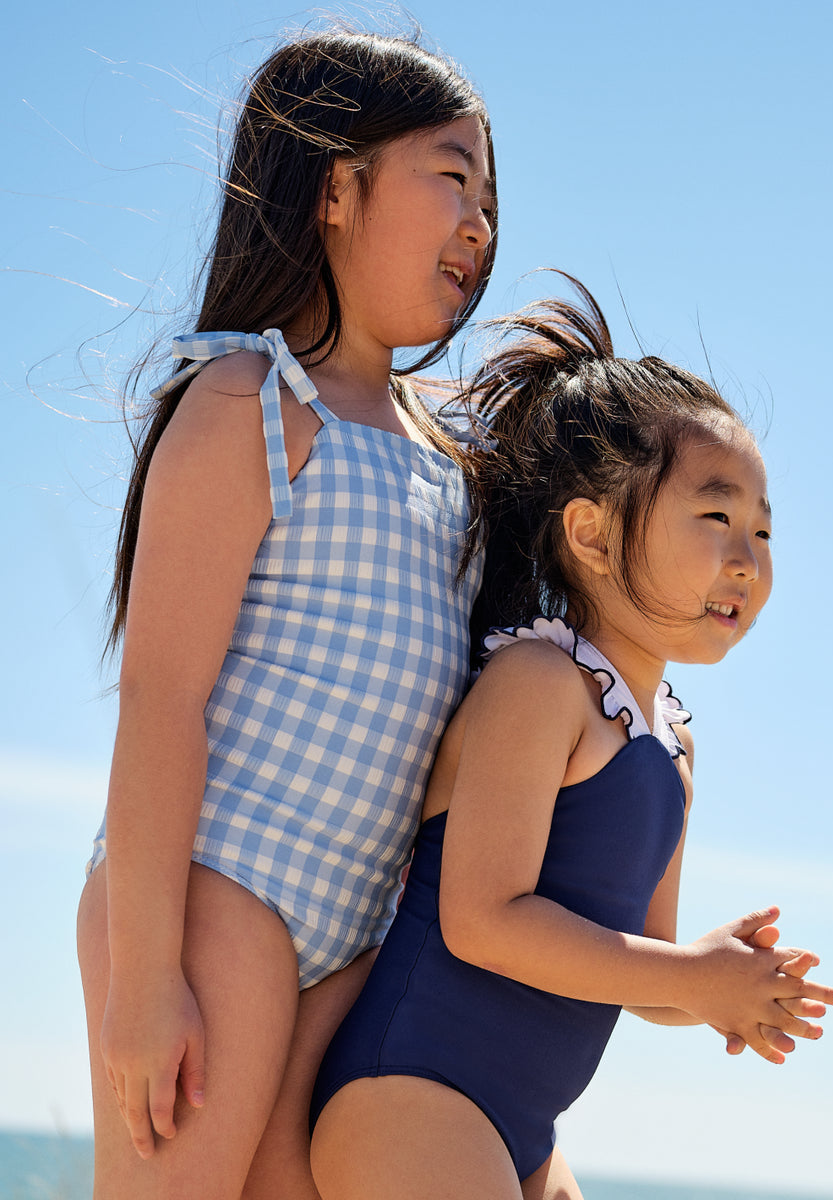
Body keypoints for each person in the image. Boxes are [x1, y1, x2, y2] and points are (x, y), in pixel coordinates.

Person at [74, 28, 498, 1200]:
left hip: (359, 933)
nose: (481, 223)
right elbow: (163, 697)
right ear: (334, 189)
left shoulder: (452, 455)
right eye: (452, 177)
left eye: (492, 198)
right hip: (219, 884)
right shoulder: (253, 400)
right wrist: (144, 980)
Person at [309, 282, 833, 1200]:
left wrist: (720, 983)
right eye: (715, 517)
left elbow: (636, 970)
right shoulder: (539, 684)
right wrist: (692, 975)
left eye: (762, 530)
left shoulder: (673, 744)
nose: (747, 558)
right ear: (592, 535)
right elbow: (481, 921)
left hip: (524, 1131)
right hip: (415, 1093)